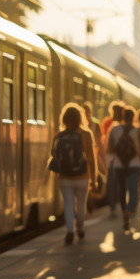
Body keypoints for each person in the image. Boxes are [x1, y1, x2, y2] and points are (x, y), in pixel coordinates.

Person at [49, 103, 97, 244]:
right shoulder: (87, 134)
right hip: (83, 177)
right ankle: (80, 228)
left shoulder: (59, 135)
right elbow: (91, 158)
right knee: (81, 204)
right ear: (80, 118)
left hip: (65, 177)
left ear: (64, 119)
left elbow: (54, 155)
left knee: (69, 204)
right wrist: (94, 179)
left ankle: (70, 230)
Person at [107, 106, 140, 233]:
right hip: (135, 165)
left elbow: (109, 149)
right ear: (134, 117)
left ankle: (124, 216)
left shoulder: (114, 130)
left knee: (121, 191)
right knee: (133, 191)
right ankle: (129, 210)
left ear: (122, 117)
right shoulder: (138, 131)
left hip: (119, 166)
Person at [101, 101, 126, 218]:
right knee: (121, 184)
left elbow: (105, 143)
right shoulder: (125, 125)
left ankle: (113, 208)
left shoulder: (108, 124)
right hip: (121, 160)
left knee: (112, 184)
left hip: (111, 159)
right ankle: (121, 206)